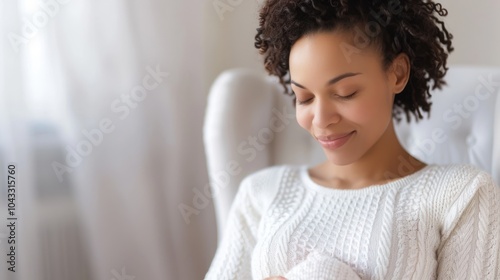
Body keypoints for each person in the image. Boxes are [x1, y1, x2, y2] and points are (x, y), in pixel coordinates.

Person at [205, 0, 500, 279]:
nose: (321, 120)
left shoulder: (462, 194)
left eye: (345, 93)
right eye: (304, 97)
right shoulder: (262, 192)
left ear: (397, 73)